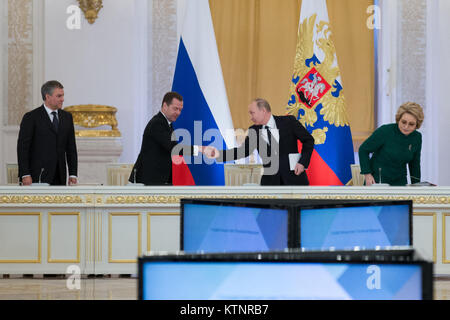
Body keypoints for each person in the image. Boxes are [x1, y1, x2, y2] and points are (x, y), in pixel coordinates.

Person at [207, 98, 315, 185]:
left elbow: (309, 140)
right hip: (271, 184)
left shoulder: (289, 122)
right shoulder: (253, 130)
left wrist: (302, 162)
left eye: (252, 113)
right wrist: (218, 154)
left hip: (295, 181)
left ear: (263, 111)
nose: (250, 117)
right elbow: (242, 152)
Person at [129, 91, 208, 185]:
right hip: (149, 180)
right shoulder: (157, 123)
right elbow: (174, 148)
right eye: (175, 109)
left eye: (180, 110)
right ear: (165, 106)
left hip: (160, 179)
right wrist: (199, 149)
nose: (178, 113)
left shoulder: (168, 124)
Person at [17, 80, 78, 186]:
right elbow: (23, 148)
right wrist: (25, 174)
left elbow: (71, 148)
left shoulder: (67, 117)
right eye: (59, 96)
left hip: (60, 175)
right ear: (48, 97)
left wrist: (73, 174)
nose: (62, 99)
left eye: (63, 95)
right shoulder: (31, 117)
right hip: (38, 174)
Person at [358, 102, 424, 186]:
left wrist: (417, 186)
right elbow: (363, 150)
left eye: (411, 124)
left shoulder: (417, 137)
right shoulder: (385, 131)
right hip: (377, 182)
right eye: (403, 122)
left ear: (417, 125)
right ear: (398, 119)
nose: (406, 127)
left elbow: (414, 164)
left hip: (400, 183)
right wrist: (367, 175)